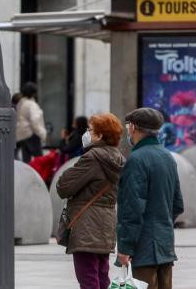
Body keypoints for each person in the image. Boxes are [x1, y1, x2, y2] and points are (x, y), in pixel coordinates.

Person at [56, 113, 126, 289]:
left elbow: (63, 187)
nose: (86, 133)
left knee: (87, 277)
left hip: (87, 225)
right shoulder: (118, 158)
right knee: (102, 276)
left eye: (90, 130)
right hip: (106, 224)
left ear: (100, 136)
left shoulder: (92, 158)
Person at [117, 108, 184, 289]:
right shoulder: (167, 157)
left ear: (134, 127)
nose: (128, 130)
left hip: (143, 248)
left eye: (129, 126)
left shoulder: (136, 160)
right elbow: (178, 204)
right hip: (165, 246)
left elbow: (132, 209)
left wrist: (125, 248)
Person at [16, 82, 47, 163]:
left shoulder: (21, 103)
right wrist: (42, 133)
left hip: (23, 135)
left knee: (26, 162)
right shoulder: (32, 105)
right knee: (40, 161)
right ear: (33, 93)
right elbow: (35, 121)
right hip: (32, 135)